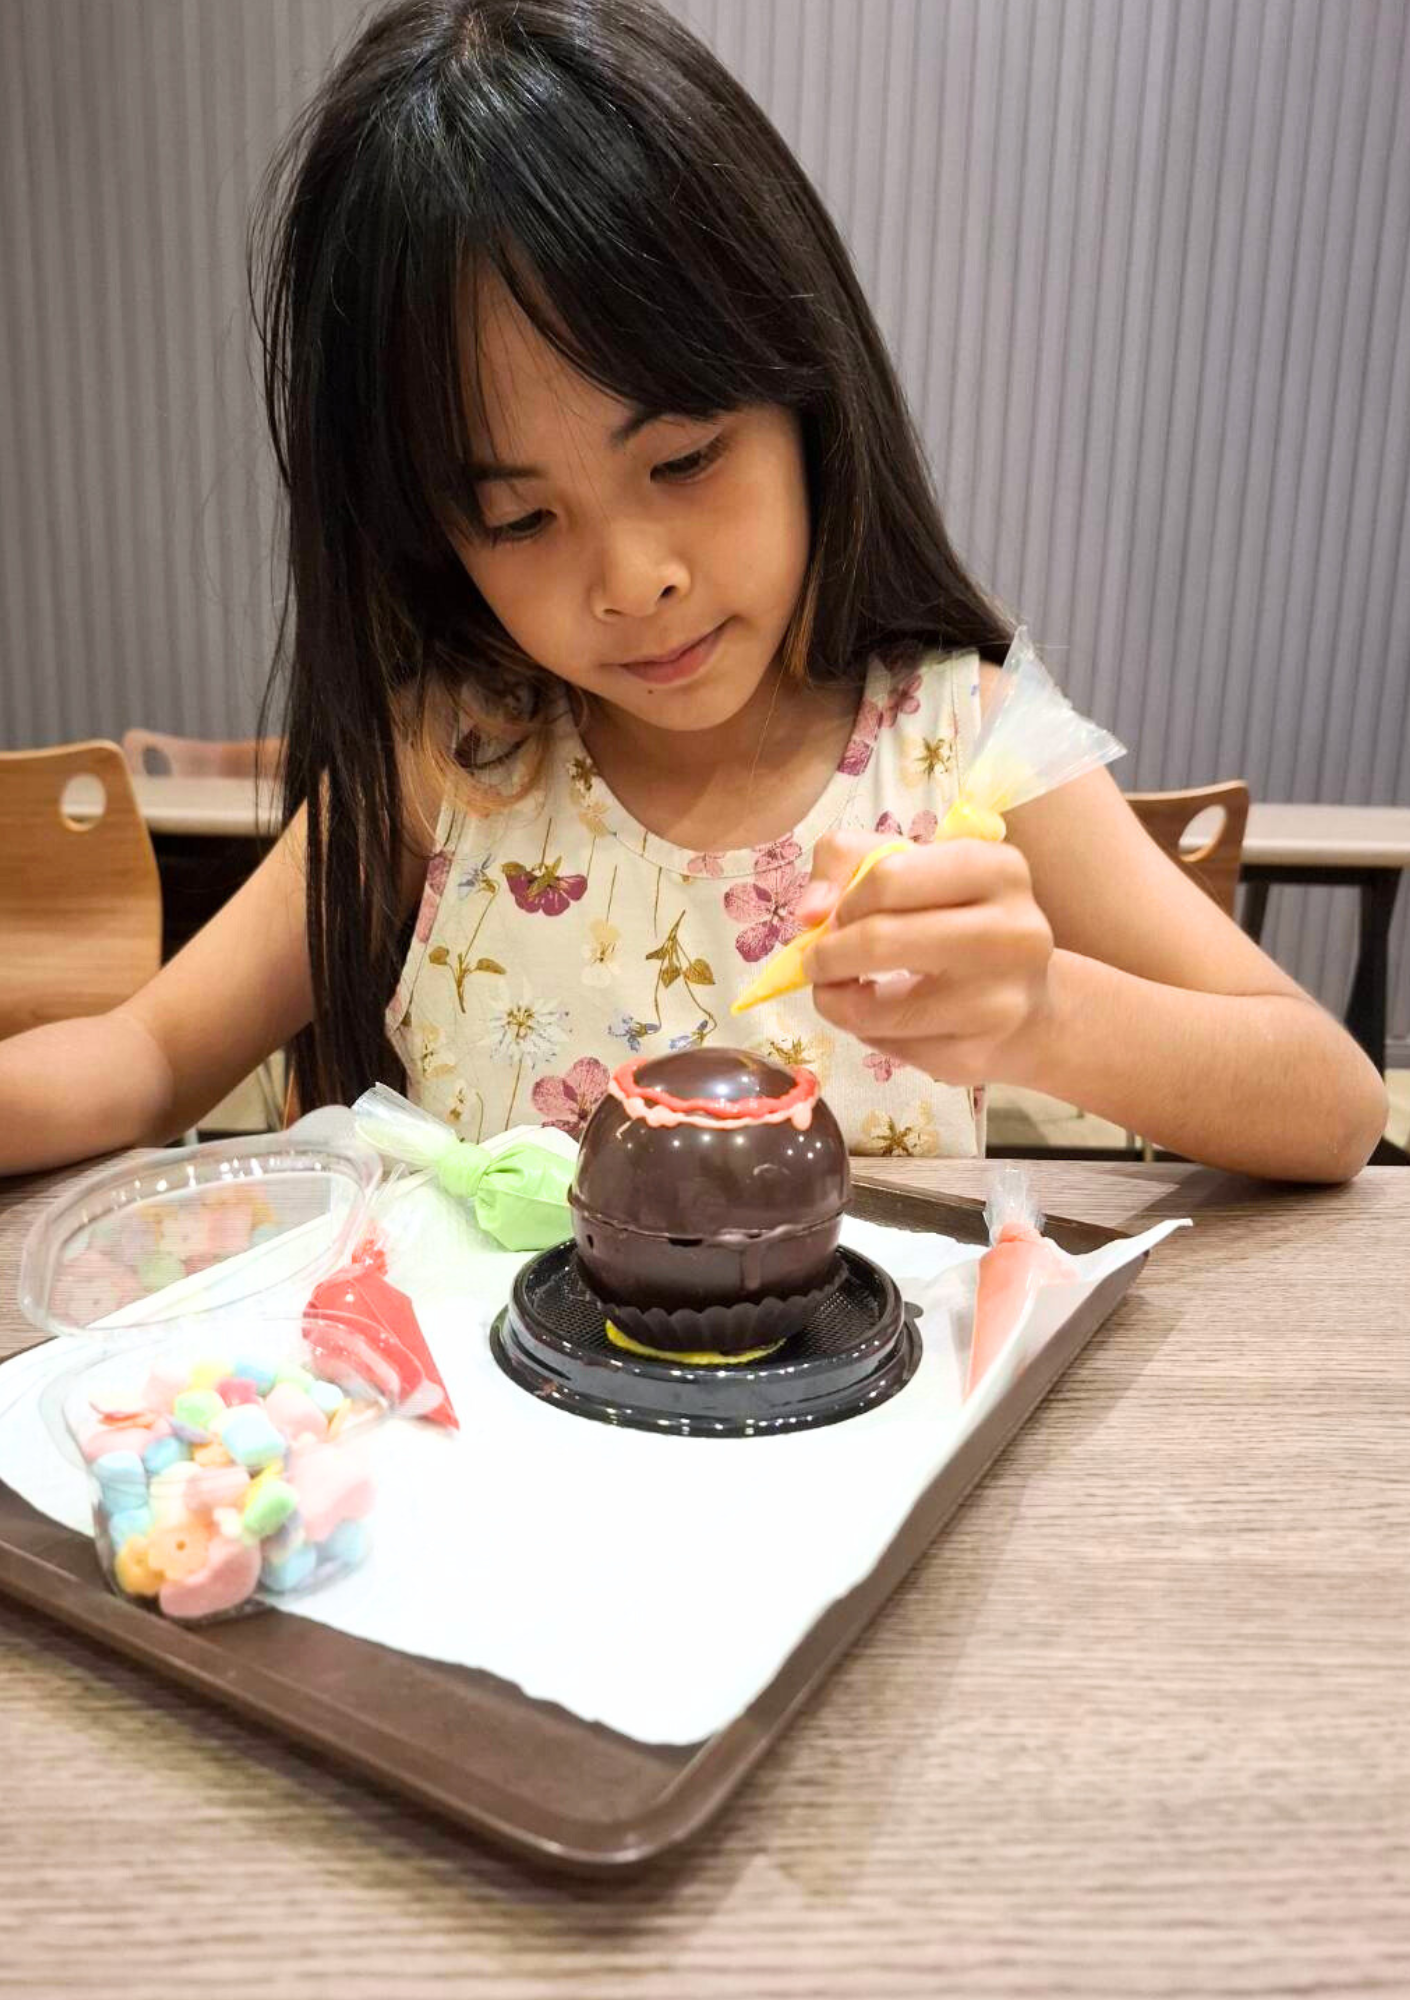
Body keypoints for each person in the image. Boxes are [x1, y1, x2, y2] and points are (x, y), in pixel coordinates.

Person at [0, 0, 1385, 1181]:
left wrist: (1043, 1017)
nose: (633, 581)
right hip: (485, 1418)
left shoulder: (958, 744)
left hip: (860, 1421)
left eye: (683, 459)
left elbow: (1329, 1103)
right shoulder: (447, 761)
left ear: (805, 397)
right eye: (519, 518)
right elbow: (147, 1057)